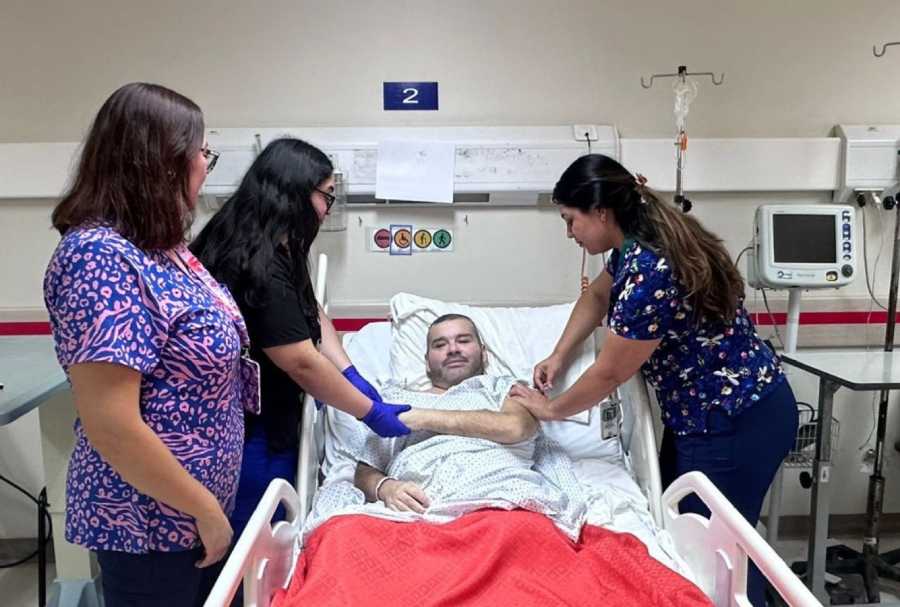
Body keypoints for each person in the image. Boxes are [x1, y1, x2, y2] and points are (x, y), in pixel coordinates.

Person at [510, 154, 799, 606]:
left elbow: (610, 371)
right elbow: (598, 296)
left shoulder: (650, 270)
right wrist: (559, 354)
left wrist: (550, 408)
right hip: (716, 415)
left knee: (719, 563)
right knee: (695, 541)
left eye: (570, 220)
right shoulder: (637, 241)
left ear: (600, 212)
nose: (569, 233)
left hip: (733, 421)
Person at [44, 82, 248, 607]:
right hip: (147, 521)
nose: (205, 165)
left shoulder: (162, 249)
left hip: (191, 511)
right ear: (160, 161)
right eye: (201, 152)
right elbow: (111, 424)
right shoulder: (99, 257)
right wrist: (204, 508)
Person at [190, 138, 411, 542]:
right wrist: (368, 411)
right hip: (246, 426)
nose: (327, 209)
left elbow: (310, 309)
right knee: (251, 537)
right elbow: (301, 362)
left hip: (254, 412)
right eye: (326, 196)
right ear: (294, 192)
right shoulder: (256, 262)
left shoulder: (270, 240)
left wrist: (349, 372)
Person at [353, 314, 540, 513]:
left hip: (500, 501)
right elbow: (366, 469)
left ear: (484, 353)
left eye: (463, 341)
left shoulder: (502, 388)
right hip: (416, 510)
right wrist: (386, 488)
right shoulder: (398, 400)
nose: (452, 349)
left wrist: (419, 418)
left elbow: (517, 428)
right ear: (427, 362)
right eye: (440, 345)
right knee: (342, 528)